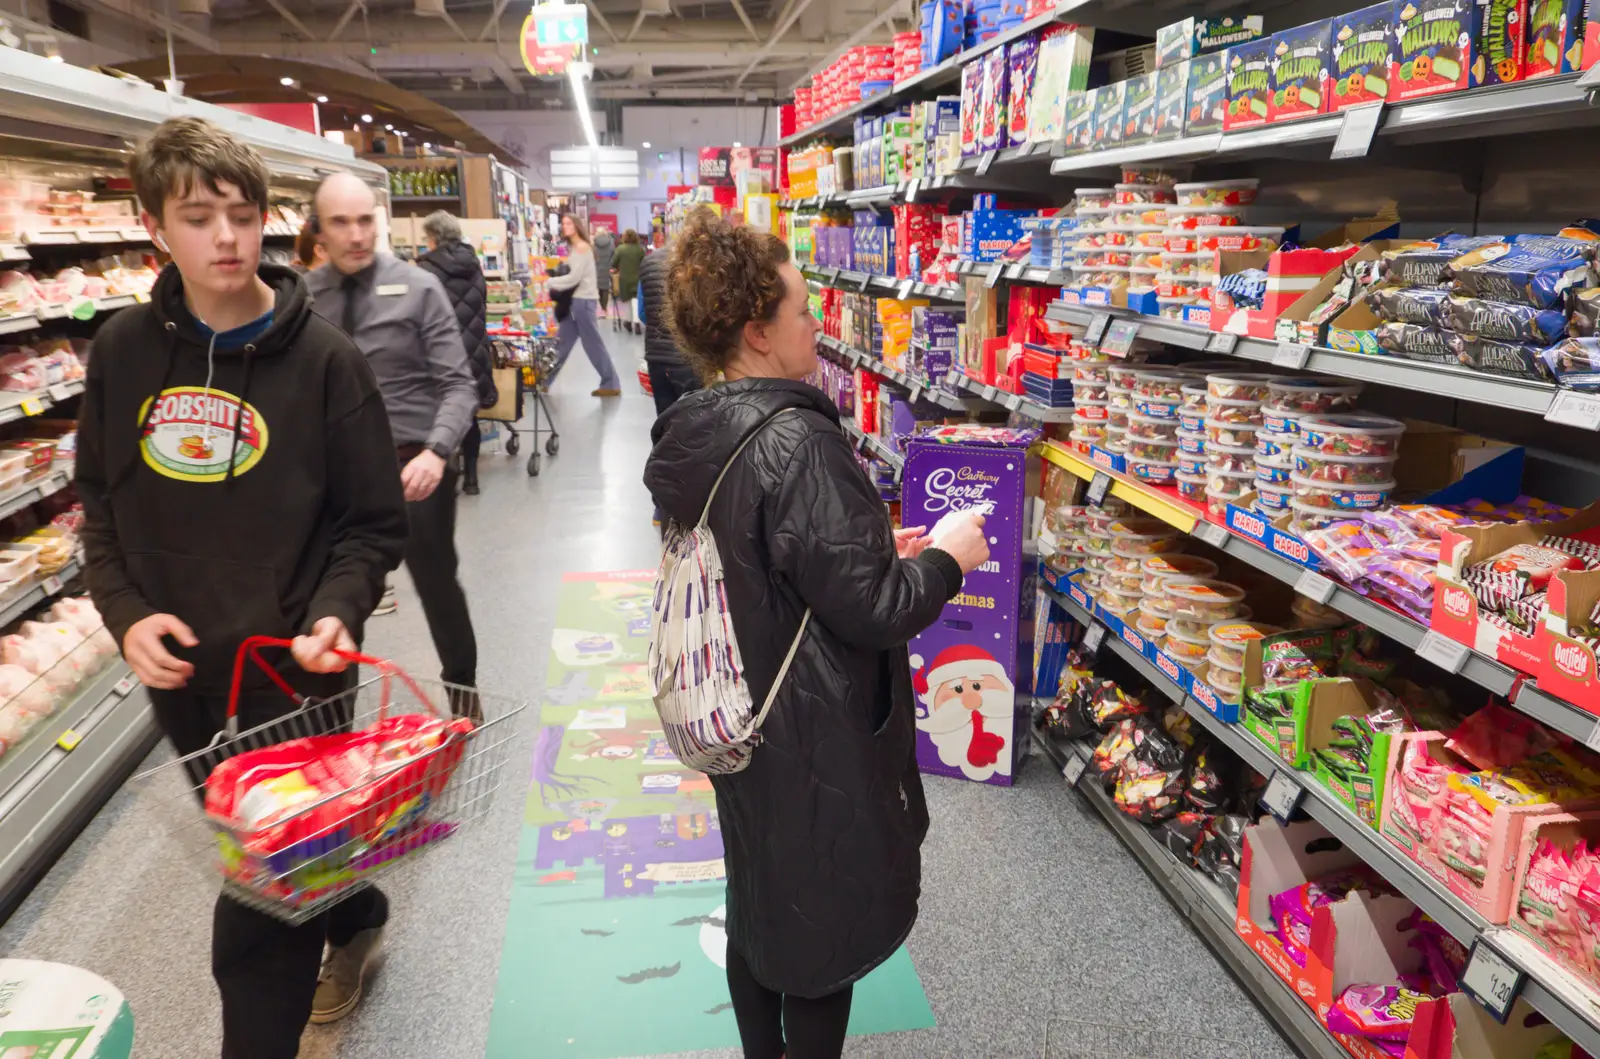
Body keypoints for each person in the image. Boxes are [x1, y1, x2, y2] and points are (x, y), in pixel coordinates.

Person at [76, 117, 409, 1056]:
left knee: (260, 900)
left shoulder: (328, 365)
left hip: (296, 671)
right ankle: (357, 905)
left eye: (241, 213)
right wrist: (126, 615)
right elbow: (97, 504)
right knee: (288, 856)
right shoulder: (121, 354)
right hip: (183, 678)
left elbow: (372, 523)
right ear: (155, 228)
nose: (225, 237)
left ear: (266, 220)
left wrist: (338, 608)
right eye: (197, 216)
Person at [642, 213, 990, 1059]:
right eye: (802, 310)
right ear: (758, 333)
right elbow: (873, 609)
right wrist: (947, 560)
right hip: (809, 731)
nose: (817, 325)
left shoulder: (703, 429)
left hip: (741, 713)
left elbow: (783, 564)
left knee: (758, 899)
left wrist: (872, 546)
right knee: (818, 931)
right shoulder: (798, 440)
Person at [306, 173, 481, 694]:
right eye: (341, 222)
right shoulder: (304, 297)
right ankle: (335, 719)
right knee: (337, 596)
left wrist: (436, 452)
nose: (356, 234)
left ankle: (463, 692)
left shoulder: (420, 287)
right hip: (335, 477)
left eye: (365, 221)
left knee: (436, 583)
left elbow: (459, 384)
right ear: (320, 229)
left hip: (412, 468)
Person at [415, 210, 497, 496]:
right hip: (474, 352)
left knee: (439, 418)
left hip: (439, 355)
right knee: (468, 414)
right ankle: (472, 477)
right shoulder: (474, 265)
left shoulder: (424, 271)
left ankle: (443, 477)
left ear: (434, 238)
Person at [546, 212, 621, 397]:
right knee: (561, 343)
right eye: (563, 223)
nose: (565, 227)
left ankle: (611, 383)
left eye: (569, 223)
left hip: (582, 302)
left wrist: (549, 282)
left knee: (592, 344)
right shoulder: (577, 248)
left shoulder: (582, 248)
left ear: (577, 225)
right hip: (576, 302)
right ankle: (544, 380)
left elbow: (574, 278)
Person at [611, 228, 644, 335]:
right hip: (637, 279)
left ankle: (628, 322)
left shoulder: (620, 249)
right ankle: (637, 323)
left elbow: (613, 264)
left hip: (624, 280)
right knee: (636, 301)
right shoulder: (640, 249)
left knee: (627, 302)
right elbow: (644, 263)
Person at [591, 222, 616, 323]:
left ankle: (597, 309)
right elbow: (614, 255)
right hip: (607, 268)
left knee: (596, 289)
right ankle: (604, 309)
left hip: (596, 269)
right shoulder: (611, 242)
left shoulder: (593, 243)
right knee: (605, 289)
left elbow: (591, 256)